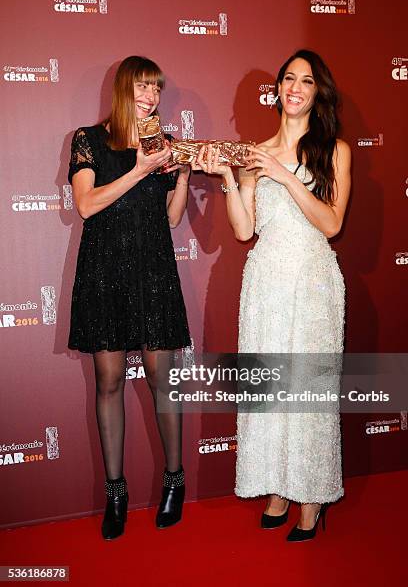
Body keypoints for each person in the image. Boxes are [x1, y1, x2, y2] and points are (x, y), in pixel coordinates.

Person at [195, 49, 351, 541]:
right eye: (289, 78)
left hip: (312, 282)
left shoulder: (336, 151)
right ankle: (276, 487)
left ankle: (311, 497)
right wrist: (227, 178)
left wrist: (285, 175)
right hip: (264, 284)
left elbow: (331, 223)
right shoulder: (253, 153)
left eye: (306, 80)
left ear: (317, 93)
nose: (295, 87)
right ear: (278, 90)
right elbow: (244, 231)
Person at [68, 56, 191, 539]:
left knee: (163, 380)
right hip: (104, 275)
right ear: (124, 90)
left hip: (154, 272)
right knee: (109, 382)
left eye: (157, 89)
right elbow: (86, 205)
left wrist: (179, 174)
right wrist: (141, 170)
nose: (151, 97)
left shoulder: (165, 146)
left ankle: (174, 482)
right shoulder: (88, 139)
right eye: (143, 87)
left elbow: (174, 219)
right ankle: (114, 492)